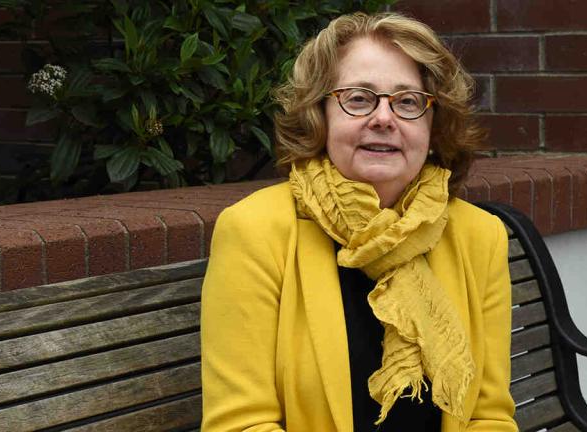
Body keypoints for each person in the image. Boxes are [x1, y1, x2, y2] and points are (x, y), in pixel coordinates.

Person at [200, 12, 517, 432]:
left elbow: (488, 417)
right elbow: (239, 424)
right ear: (319, 113)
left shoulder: (479, 236)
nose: (384, 119)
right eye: (359, 98)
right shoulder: (255, 231)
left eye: (407, 101)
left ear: (433, 123)